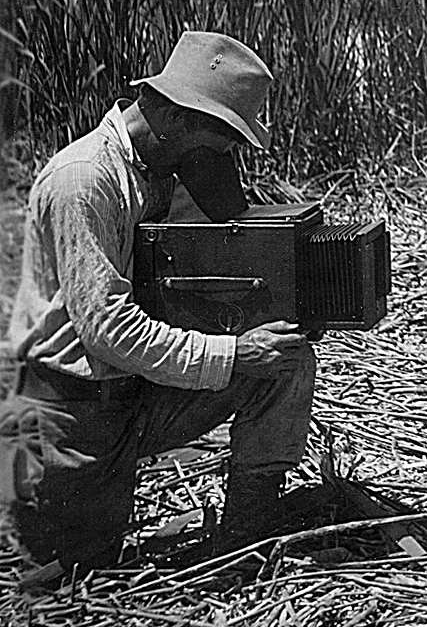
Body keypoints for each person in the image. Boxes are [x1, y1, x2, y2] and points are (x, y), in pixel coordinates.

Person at [5, 30, 315, 582]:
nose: (226, 156)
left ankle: (248, 533)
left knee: (285, 360)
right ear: (178, 117)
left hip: (135, 393)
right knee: (75, 575)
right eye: (222, 141)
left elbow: (208, 259)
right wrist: (233, 352)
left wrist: (222, 198)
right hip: (72, 410)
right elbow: (107, 329)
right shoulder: (84, 180)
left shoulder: (160, 170)